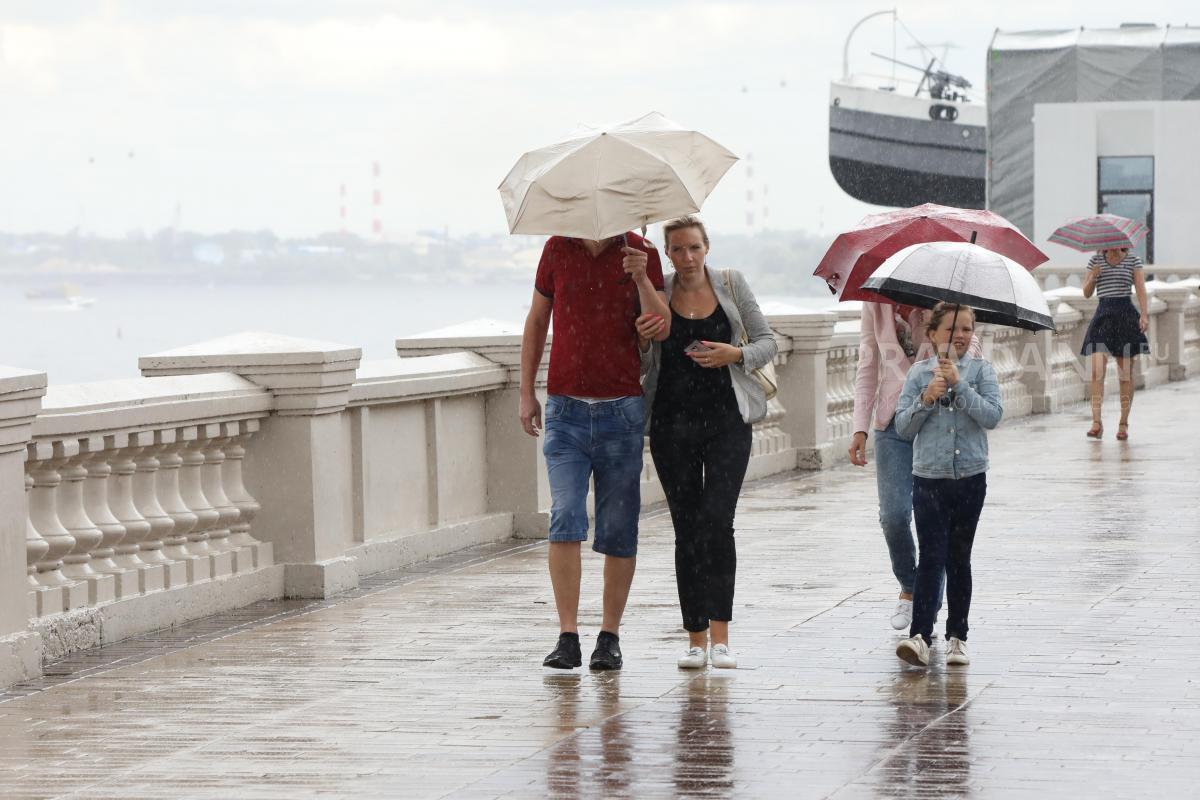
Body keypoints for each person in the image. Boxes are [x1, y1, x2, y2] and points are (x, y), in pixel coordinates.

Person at [519, 232, 671, 671]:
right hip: (565, 409)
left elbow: (663, 326)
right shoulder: (557, 248)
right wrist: (526, 393)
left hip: (622, 410)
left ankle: (610, 636)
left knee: (619, 526)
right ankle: (567, 636)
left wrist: (641, 278)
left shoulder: (641, 252)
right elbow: (536, 321)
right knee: (565, 515)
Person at [635, 216, 777, 670]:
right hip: (671, 426)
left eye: (694, 247)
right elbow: (642, 356)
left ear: (707, 247)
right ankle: (694, 638)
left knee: (718, 521)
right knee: (687, 528)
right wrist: (641, 337)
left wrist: (732, 354)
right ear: (667, 253)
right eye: (677, 249)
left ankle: (722, 636)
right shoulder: (658, 292)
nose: (688, 257)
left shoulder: (732, 286)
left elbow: (767, 342)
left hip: (726, 423)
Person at [849, 301, 980, 630]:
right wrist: (859, 427)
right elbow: (868, 367)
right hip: (893, 422)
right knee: (893, 516)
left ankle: (921, 600)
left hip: (937, 421)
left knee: (936, 524)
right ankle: (912, 586)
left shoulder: (946, 295)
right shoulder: (875, 304)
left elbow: (973, 351)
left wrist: (945, 335)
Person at [893, 303, 1002, 668]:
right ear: (933, 333)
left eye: (968, 329)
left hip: (970, 477)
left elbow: (992, 416)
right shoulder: (918, 375)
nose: (961, 334)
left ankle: (958, 636)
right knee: (931, 559)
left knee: (959, 559)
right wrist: (926, 398)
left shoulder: (983, 371)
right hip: (929, 478)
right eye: (953, 328)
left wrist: (960, 386)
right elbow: (903, 428)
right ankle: (920, 637)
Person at [1080, 246, 1150, 441]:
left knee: (1125, 375)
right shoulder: (1096, 261)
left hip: (1125, 316)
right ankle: (1096, 422)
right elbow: (1086, 293)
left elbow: (1141, 288)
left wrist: (1144, 315)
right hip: (1103, 317)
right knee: (1096, 371)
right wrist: (1093, 276)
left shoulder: (1132, 260)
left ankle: (1123, 424)